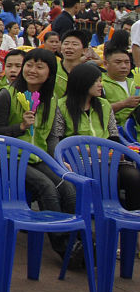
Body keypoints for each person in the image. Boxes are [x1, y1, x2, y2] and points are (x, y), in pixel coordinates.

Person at [0, 48, 77, 259]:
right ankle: (64, 248)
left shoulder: (52, 100)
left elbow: (50, 138)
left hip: (38, 157)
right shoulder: (7, 95)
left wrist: (58, 161)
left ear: (50, 72)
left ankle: (78, 240)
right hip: (11, 159)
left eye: (39, 66)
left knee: (69, 188)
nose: (32, 70)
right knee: (47, 188)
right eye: (29, 65)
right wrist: (20, 127)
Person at [47, 62, 140, 210]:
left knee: (134, 177)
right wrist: (91, 151)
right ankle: (104, 215)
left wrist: (116, 152)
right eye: (96, 81)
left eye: (100, 81)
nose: (100, 85)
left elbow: (113, 135)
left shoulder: (104, 105)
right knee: (109, 175)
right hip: (79, 159)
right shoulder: (61, 106)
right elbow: (59, 140)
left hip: (107, 158)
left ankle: (130, 224)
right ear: (83, 82)